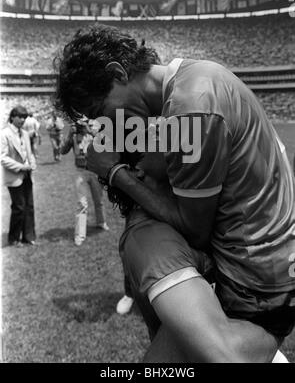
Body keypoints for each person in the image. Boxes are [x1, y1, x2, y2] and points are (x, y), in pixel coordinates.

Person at [54, 25, 295, 362]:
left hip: (256, 288)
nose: (106, 123)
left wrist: (115, 172)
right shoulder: (196, 76)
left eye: (99, 112)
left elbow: (194, 229)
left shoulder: (189, 107)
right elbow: (161, 141)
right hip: (270, 267)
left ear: (118, 73)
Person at [60, 119, 109, 246]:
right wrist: (70, 134)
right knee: (82, 203)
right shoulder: (74, 135)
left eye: (84, 123)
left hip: (95, 170)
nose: (81, 126)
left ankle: (101, 222)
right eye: (79, 124)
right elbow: (62, 151)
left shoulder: (94, 132)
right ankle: (79, 235)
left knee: (99, 200)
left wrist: (91, 132)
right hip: (80, 171)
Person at [1, 105, 37, 246]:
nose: (22, 120)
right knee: (19, 207)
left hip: (27, 175)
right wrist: (21, 167)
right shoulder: (4, 134)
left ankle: (28, 237)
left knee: (29, 206)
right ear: (12, 117)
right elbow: (2, 158)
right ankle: (14, 238)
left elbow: (30, 153)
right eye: (20, 117)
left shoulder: (25, 133)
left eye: (24, 117)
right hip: (14, 176)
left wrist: (32, 163)